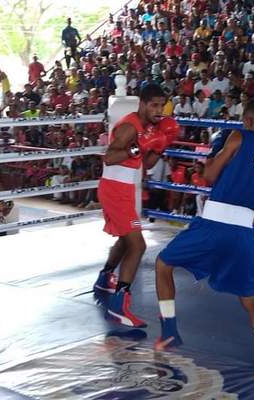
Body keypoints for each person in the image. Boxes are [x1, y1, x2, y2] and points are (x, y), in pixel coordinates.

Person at [153, 96, 254, 378]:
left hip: (213, 224)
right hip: (244, 232)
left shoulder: (239, 136)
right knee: (250, 299)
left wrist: (209, 163)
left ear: (249, 120)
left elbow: (210, 177)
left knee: (162, 264)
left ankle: (168, 332)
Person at [94, 84, 179, 328]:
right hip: (114, 188)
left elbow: (147, 163)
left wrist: (162, 144)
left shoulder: (150, 128)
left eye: (161, 105)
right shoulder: (131, 126)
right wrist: (140, 144)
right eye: (154, 105)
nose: (158, 110)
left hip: (124, 188)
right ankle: (120, 304)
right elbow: (109, 157)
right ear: (141, 104)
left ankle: (105, 277)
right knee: (138, 245)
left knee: (125, 240)